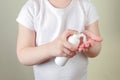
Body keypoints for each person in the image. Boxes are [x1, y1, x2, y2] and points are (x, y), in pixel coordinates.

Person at [16, 0, 102, 80]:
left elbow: (96, 50)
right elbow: (23, 55)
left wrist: (88, 44)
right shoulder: (32, 8)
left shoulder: (86, 6)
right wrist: (51, 49)